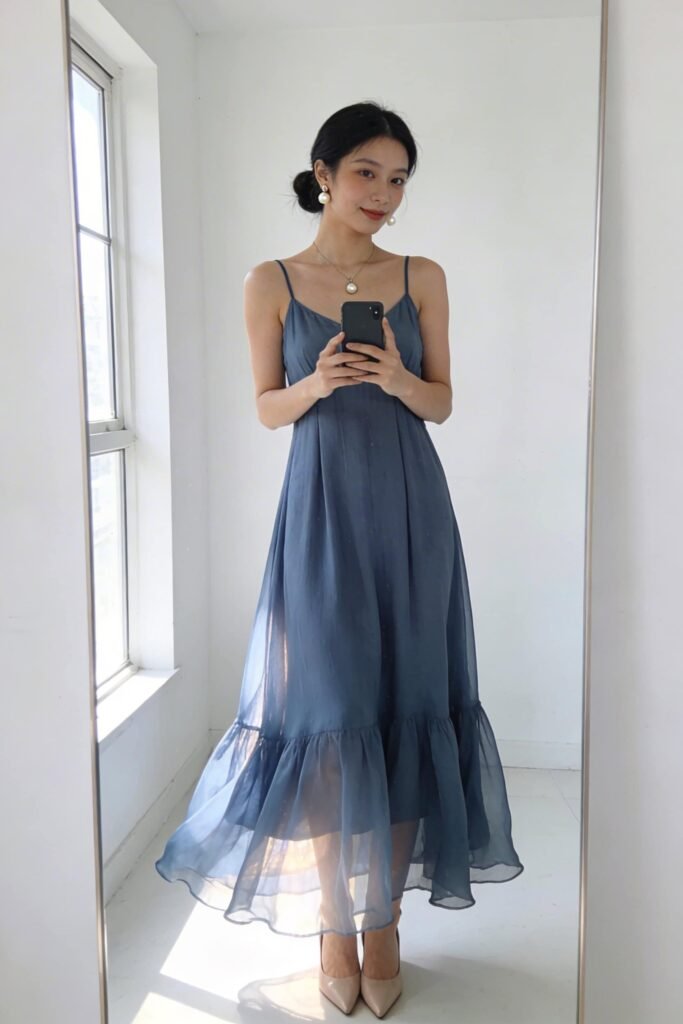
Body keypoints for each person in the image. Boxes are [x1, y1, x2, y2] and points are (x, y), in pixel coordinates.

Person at [155, 101, 524, 1018]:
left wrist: (397, 377)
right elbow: (264, 408)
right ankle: (334, 923)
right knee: (326, 716)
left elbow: (440, 403)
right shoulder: (270, 281)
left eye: (398, 179)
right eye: (366, 172)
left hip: (411, 517)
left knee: (404, 705)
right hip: (318, 518)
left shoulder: (421, 276)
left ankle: (384, 921)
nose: (383, 194)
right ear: (322, 174)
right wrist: (315, 383)